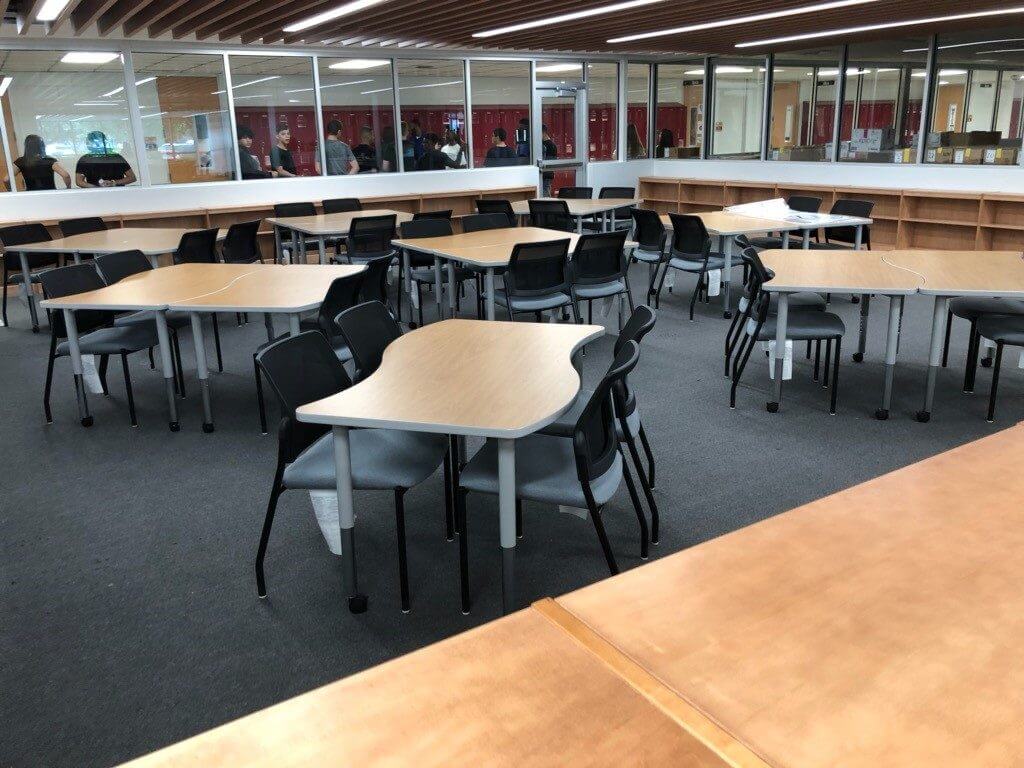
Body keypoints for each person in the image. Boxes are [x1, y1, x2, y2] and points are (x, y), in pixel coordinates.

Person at [3, 134, 71, 191]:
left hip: (31, 195)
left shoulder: (20, 161)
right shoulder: (49, 160)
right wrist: (68, 188)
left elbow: (6, 179)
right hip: (50, 194)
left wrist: (12, 192)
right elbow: (66, 175)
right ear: (41, 146)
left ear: (27, 147)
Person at [541, 125, 558, 196]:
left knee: (545, 192)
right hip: (547, 174)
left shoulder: (549, 145)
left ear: (543, 132)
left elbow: (549, 162)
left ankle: (547, 206)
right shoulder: (550, 144)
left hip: (546, 174)